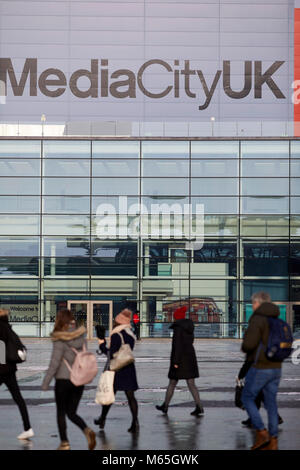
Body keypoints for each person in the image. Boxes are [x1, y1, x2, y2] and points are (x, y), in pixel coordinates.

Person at [42, 309, 96, 450]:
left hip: (63, 380)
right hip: (79, 380)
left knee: (61, 412)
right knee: (71, 412)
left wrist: (46, 382)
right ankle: (87, 430)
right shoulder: (81, 338)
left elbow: (55, 362)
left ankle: (64, 443)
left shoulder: (60, 339)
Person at [241, 292, 283, 450]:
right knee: (271, 403)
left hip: (261, 366)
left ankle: (261, 431)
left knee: (247, 397)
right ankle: (273, 441)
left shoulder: (258, 319)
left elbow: (248, 345)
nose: (252, 306)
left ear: (258, 304)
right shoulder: (277, 319)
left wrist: (246, 345)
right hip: (276, 367)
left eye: (253, 304)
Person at [95, 308, 139, 433]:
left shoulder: (116, 334)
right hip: (129, 367)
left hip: (117, 369)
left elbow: (111, 353)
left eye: (116, 320)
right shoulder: (130, 334)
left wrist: (101, 343)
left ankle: (102, 419)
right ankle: (135, 422)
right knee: (131, 397)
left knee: (109, 395)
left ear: (119, 322)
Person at [156, 306, 204, 416]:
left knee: (172, 383)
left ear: (176, 318)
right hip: (190, 358)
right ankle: (199, 407)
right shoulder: (189, 327)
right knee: (192, 384)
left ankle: (165, 406)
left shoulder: (178, 328)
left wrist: (175, 362)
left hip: (180, 360)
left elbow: (177, 346)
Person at [0, 308, 34, 440]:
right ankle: (28, 428)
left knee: (18, 398)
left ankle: (27, 428)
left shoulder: (0, 328)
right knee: (19, 399)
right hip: (10, 370)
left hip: (2, 369)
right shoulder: (9, 328)